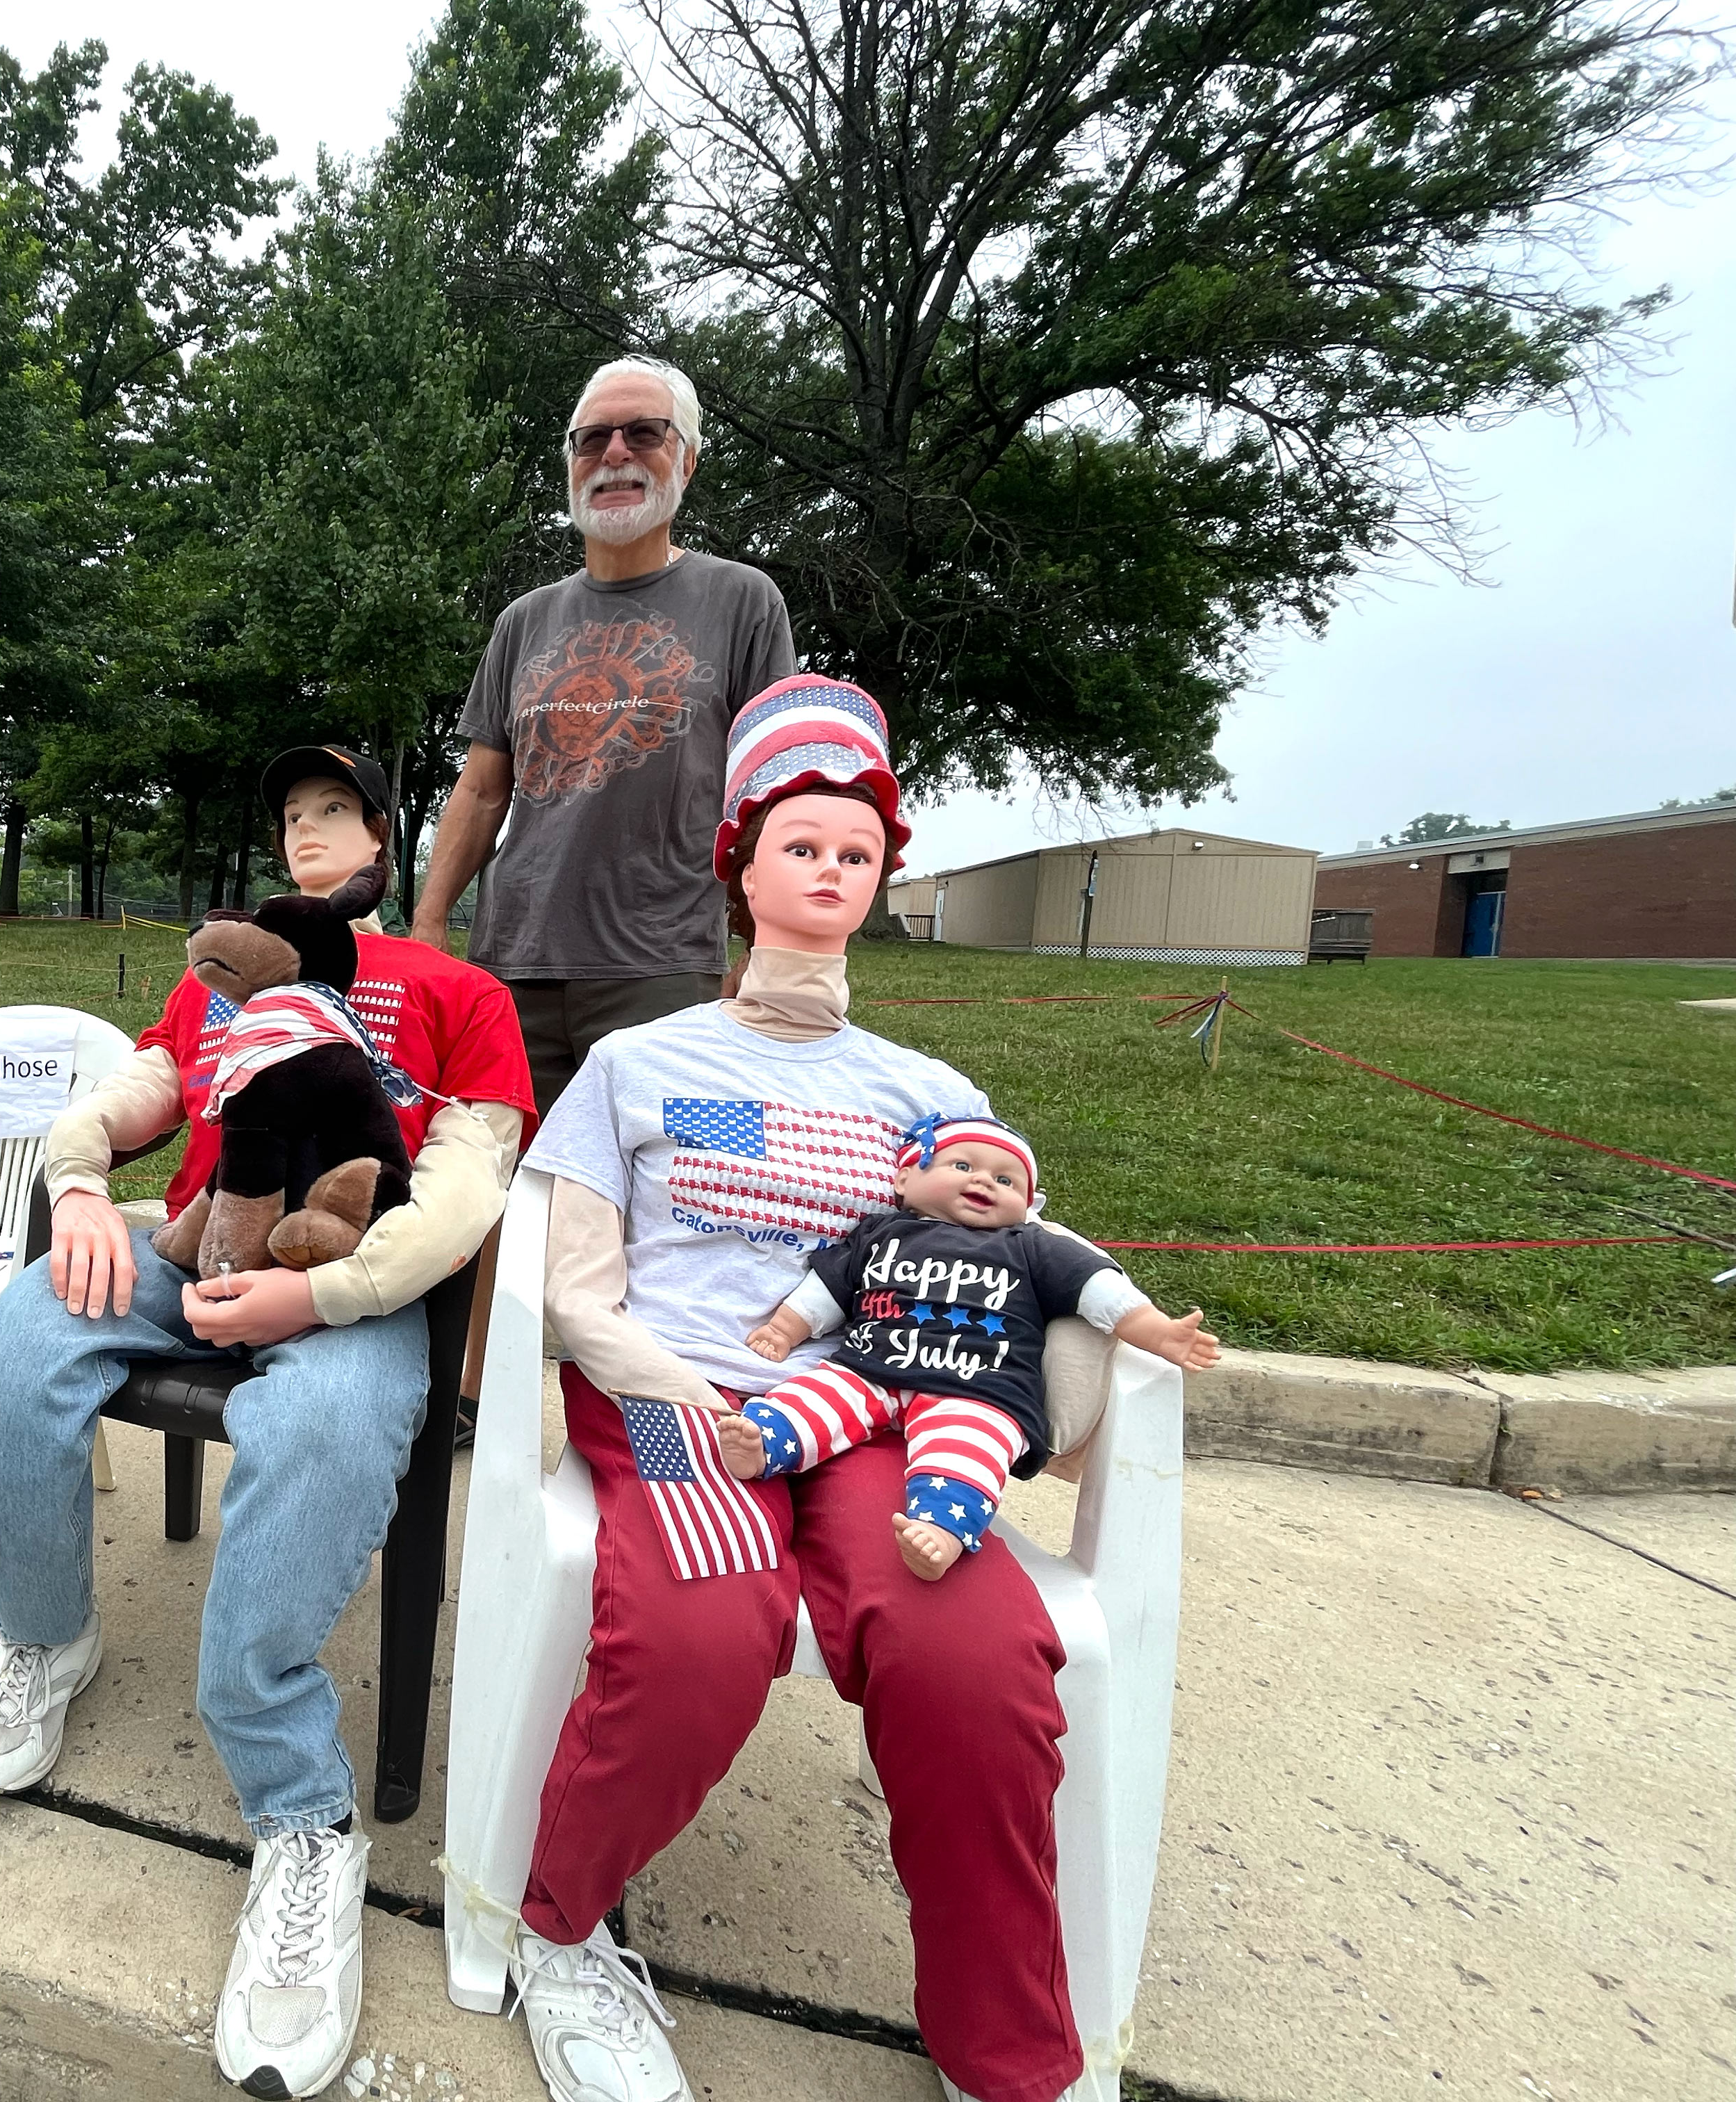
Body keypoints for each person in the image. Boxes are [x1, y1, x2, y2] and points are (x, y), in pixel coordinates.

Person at [500, 674, 1095, 2102]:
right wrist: (683, 1406)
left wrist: (1042, 1410)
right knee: (703, 1634)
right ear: (742, 865)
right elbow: (577, 1289)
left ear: (881, 878)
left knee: (981, 1661)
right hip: (672, 1400)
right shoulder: (637, 1067)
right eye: (799, 844)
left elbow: (1022, 1262)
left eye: (858, 850)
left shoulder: (930, 1090)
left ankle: (1006, 2052)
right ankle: (561, 1930)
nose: (829, 869)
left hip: (879, 1413)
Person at [0, 743, 534, 2102]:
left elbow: (464, 1188)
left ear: (387, 835)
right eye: (290, 815)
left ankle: (303, 1814)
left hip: (353, 1282)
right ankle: (46, 1639)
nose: (309, 832)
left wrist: (322, 1291)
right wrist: (82, 1185)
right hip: (190, 1245)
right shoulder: (225, 972)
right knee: (13, 1352)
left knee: (319, 1435)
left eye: (334, 810)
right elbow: (144, 1090)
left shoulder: (457, 993)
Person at [411, 355, 796, 1113]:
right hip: (511, 964)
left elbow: (771, 795)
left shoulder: (744, 601)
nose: (614, 454)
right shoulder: (523, 620)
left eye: (642, 433)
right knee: (503, 1190)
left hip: (661, 961)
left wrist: (765, 949)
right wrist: (427, 926)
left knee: (651, 1190)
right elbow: (484, 791)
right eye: (591, 440)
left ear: (685, 458)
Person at [720, 1112, 1221, 1576]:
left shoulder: (1031, 1247)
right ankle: (766, 1444)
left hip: (980, 1391)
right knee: (814, 1396)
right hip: (870, 1368)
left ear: (1028, 1205)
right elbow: (828, 1290)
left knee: (968, 1451)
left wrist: (1158, 1332)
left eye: (1006, 1180)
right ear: (904, 1181)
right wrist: (785, 1331)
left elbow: (1101, 1294)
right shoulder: (881, 1233)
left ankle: (943, 1531)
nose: (984, 1181)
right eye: (962, 1165)